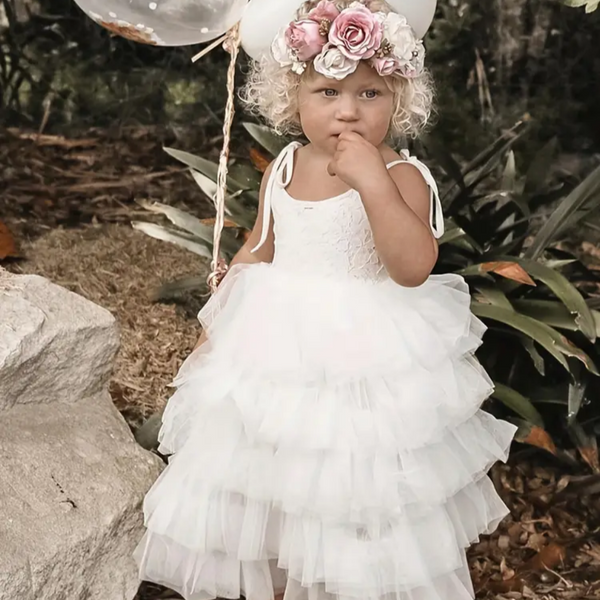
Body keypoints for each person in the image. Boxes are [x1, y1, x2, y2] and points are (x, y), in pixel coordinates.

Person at [134, 1, 517, 599]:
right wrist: (217, 333)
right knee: (275, 471)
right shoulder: (285, 164)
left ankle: (352, 581)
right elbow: (259, 248)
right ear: (294, 97)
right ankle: (288, 579)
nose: (347, 110)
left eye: (370, 93)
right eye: (327, 91)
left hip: (363, 354)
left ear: (400, 98)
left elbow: (413, 266)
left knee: (348, 483)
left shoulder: (405, 175)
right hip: (277, 347)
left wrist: (372, 182)